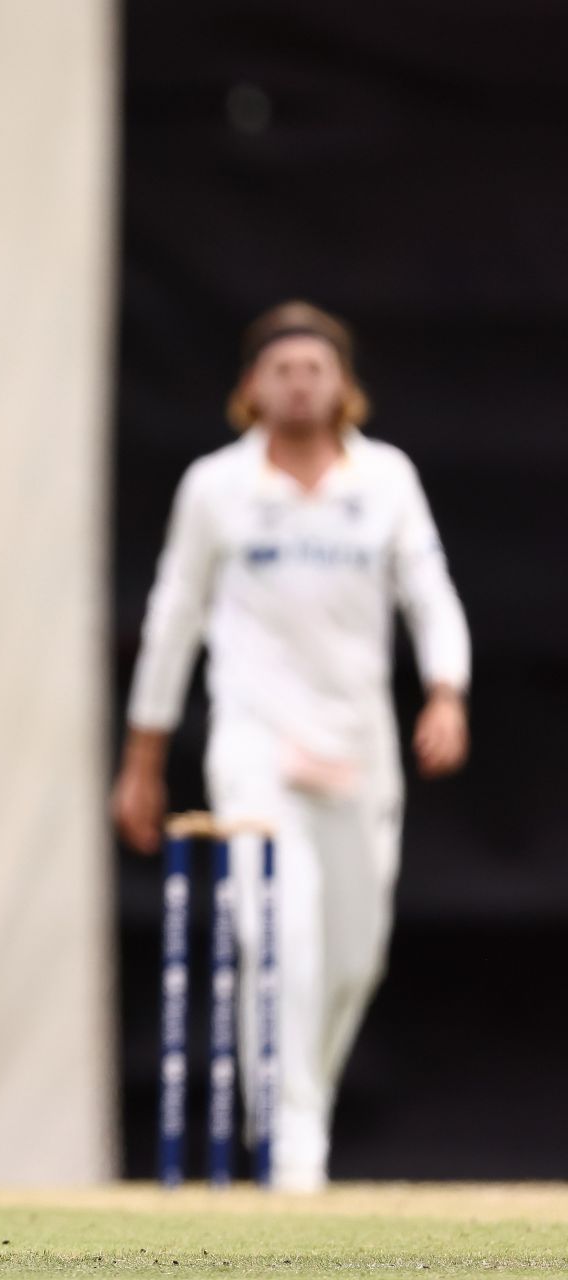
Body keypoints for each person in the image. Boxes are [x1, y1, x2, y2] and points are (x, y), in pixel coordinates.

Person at [111, 300, 470, 1192]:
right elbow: (171, 622)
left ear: (345, 386)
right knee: (281, 942)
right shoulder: (216, 487)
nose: (300, 381)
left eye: (317, 368)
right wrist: (144, 759)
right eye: (282, 368)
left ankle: (293, 1107)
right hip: (256, 743)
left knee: (354, 957)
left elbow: (429, 591)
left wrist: (447, 692)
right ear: (250, 389)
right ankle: (298, 1150)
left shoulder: (384, 478)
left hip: (359, 749)